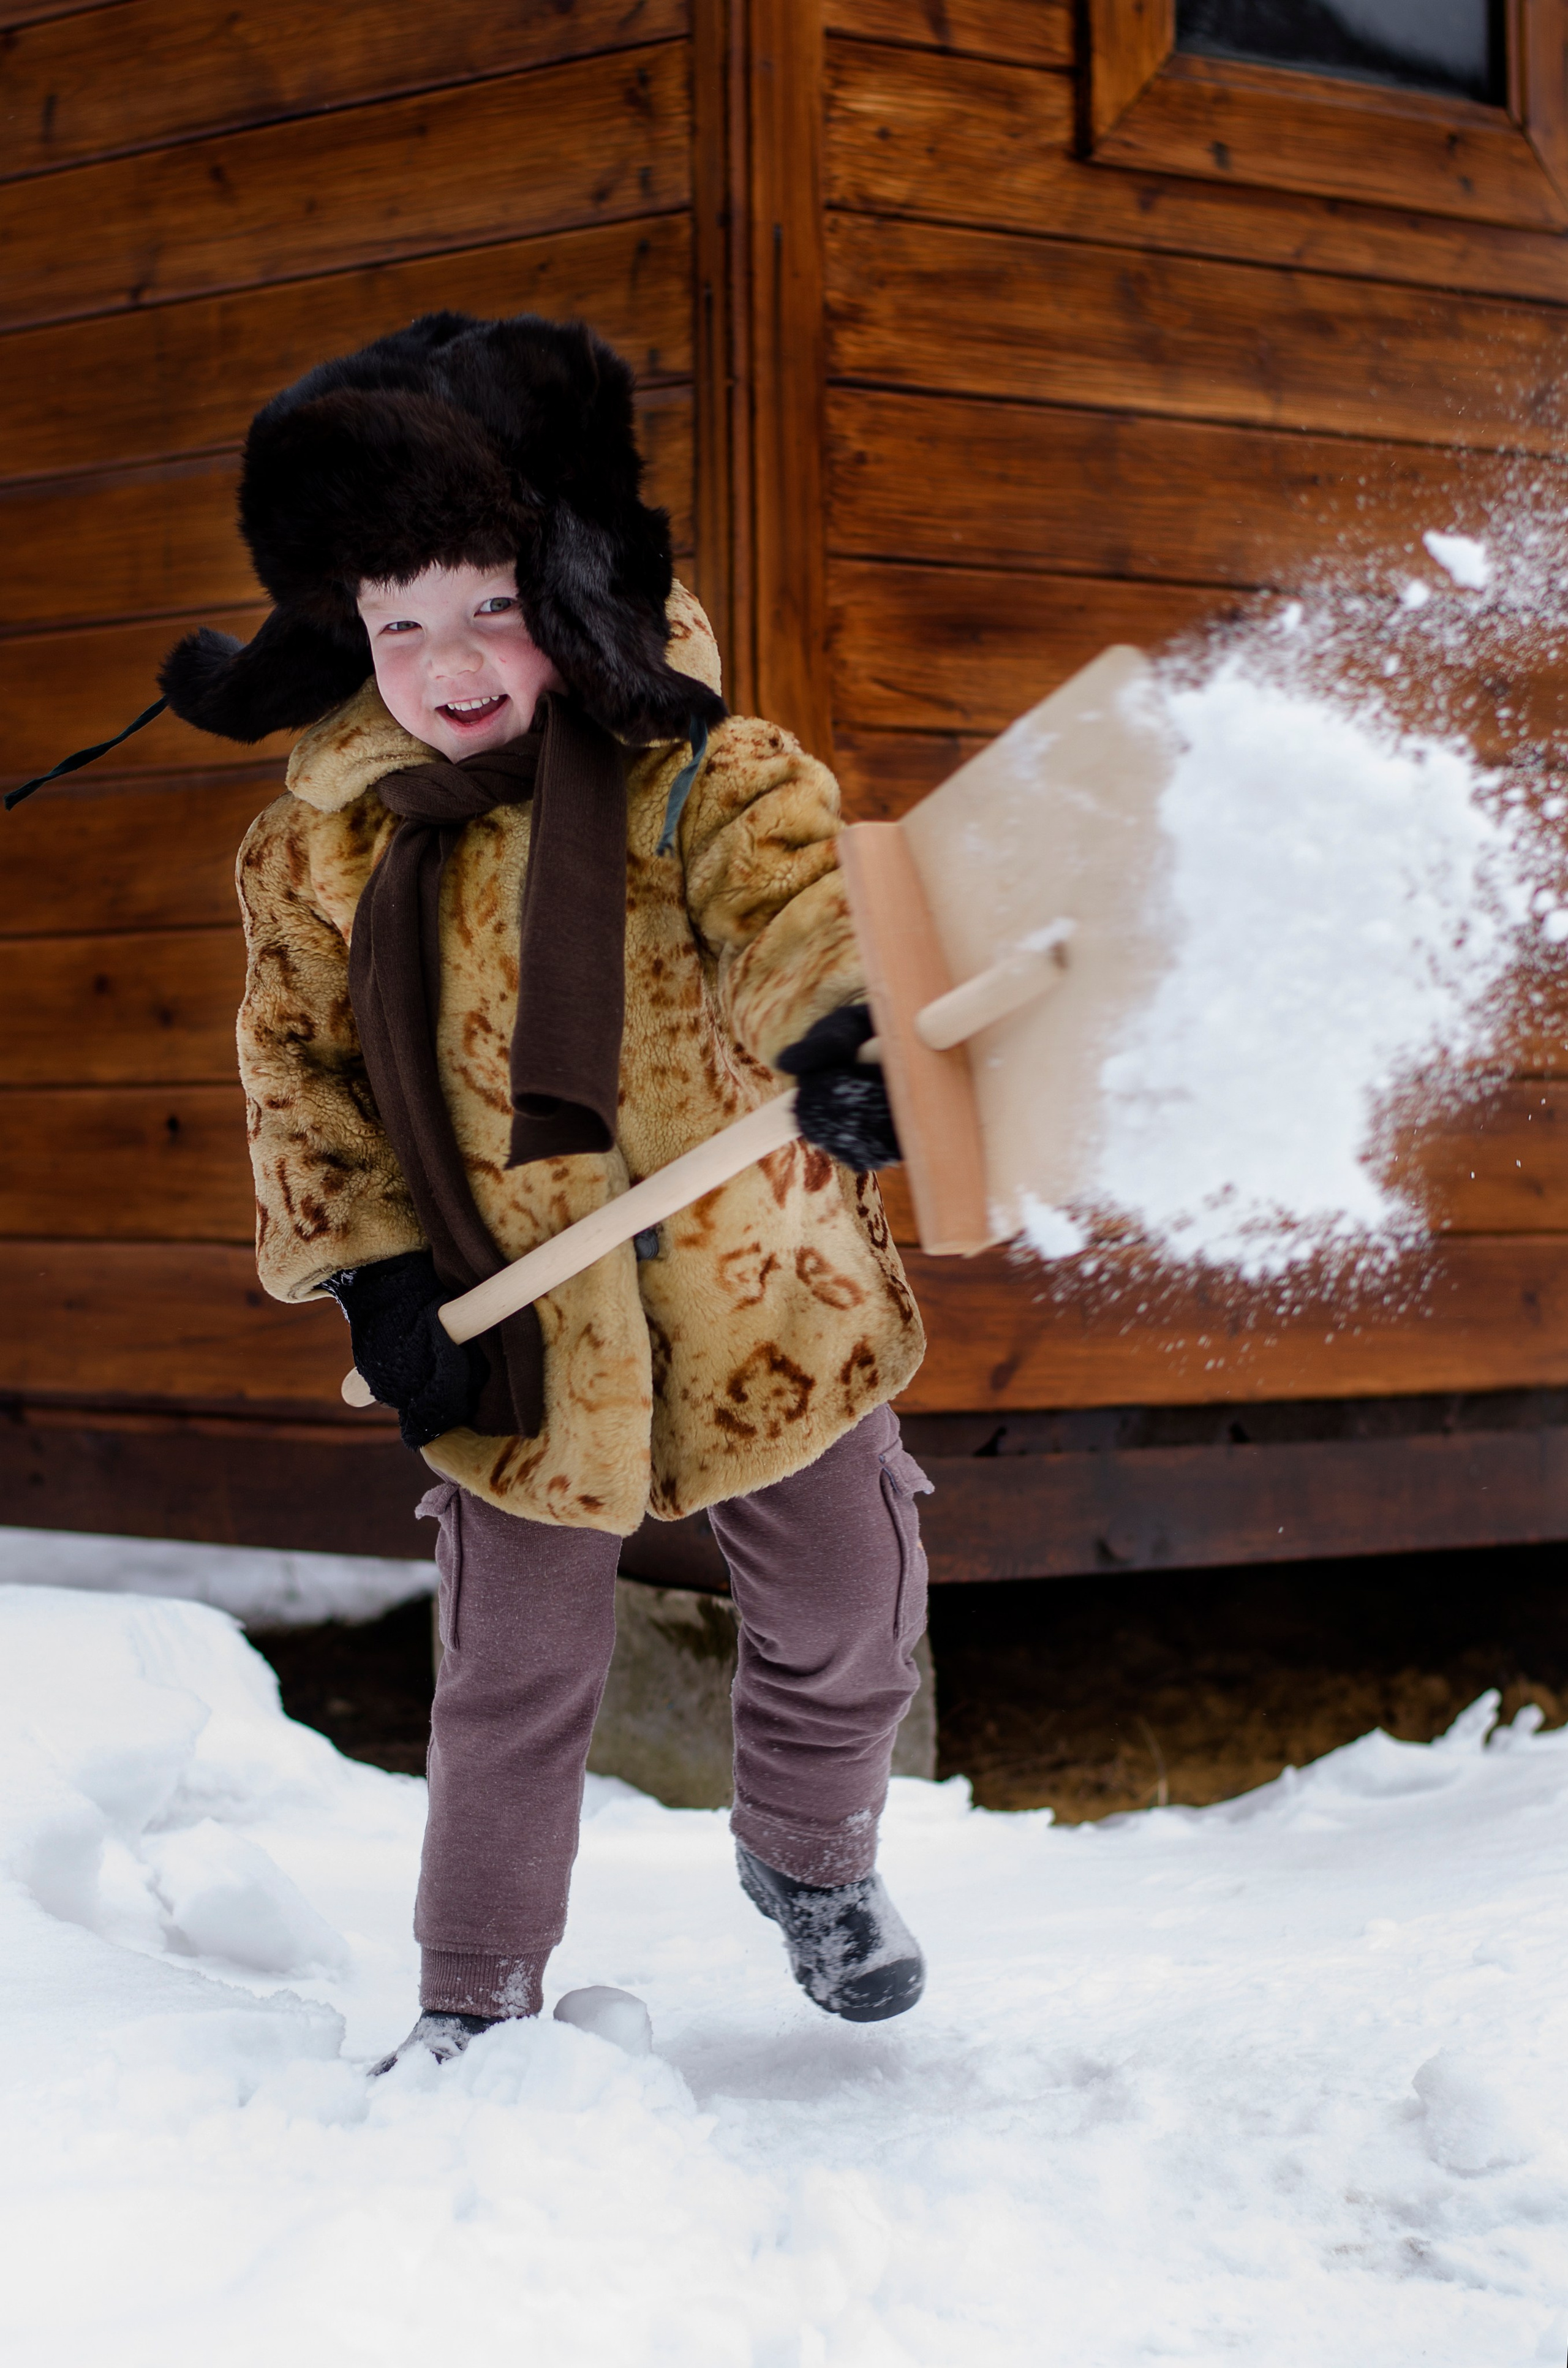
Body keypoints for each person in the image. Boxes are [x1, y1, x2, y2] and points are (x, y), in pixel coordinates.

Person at [156, 310, 934, 2065]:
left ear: (570, 582)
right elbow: (304, 1073)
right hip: (512, 1320)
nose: (448, 660)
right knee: (509, 1680)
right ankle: (475, 1997)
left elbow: (789, 891)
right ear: (344, 628)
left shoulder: (690, 764)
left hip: (762, 1294)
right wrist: (370, 1275)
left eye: (490, 605)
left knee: (845, 1607)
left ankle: (813, 1860)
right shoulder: (322, 841)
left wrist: (842, 1028)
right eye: (399, 618)